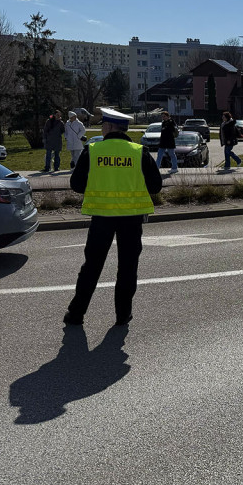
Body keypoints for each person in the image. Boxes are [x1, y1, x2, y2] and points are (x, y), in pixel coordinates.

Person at [63, 108, 163, 327]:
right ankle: (122, 315)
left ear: (108, 127)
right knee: (127, 268)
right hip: (132, 219)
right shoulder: (140, 151)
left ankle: (76, 314)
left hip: (101, 218)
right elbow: (156, 186)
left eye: (102, 125)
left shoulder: (93, 150)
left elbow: (76, 185)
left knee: (92, 267)